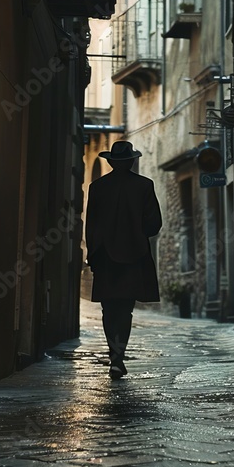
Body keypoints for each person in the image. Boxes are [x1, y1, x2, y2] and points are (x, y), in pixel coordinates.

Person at [85, 140, 162, 380]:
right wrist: (137, 235)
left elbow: (91, 225)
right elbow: (154, 224)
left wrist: (93, 253)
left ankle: (114, 356)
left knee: (109, 309)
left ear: (110, 162)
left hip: (105, 257)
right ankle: (118, 357)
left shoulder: (97, 187)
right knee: (125, 309)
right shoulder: (144, 186)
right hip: (133, 256)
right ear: (131, 161)